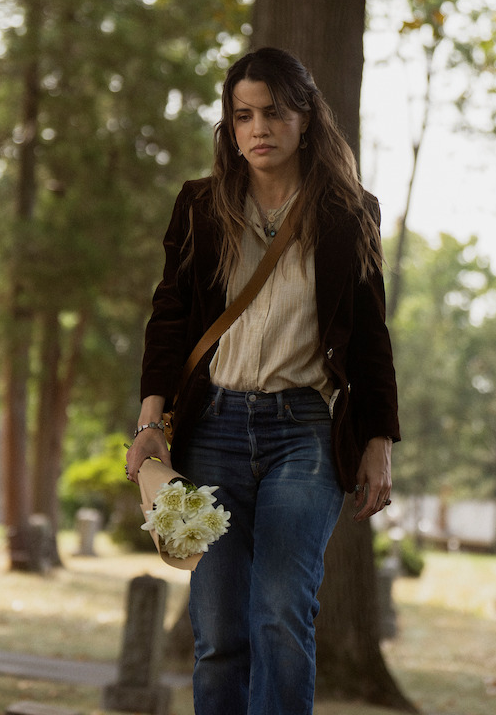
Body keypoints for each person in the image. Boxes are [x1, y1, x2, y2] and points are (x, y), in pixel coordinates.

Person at [124, 46, 400, 715]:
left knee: (281, 613)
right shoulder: (200, 207)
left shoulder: (348, 213)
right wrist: (150, 422)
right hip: (211, 429)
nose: (259, 129)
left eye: (274, 113)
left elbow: (369, 336)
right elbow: (169, 319)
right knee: (218, 634)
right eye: (243, 116)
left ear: (305, 118)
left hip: (303, 434)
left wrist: (379, 442)